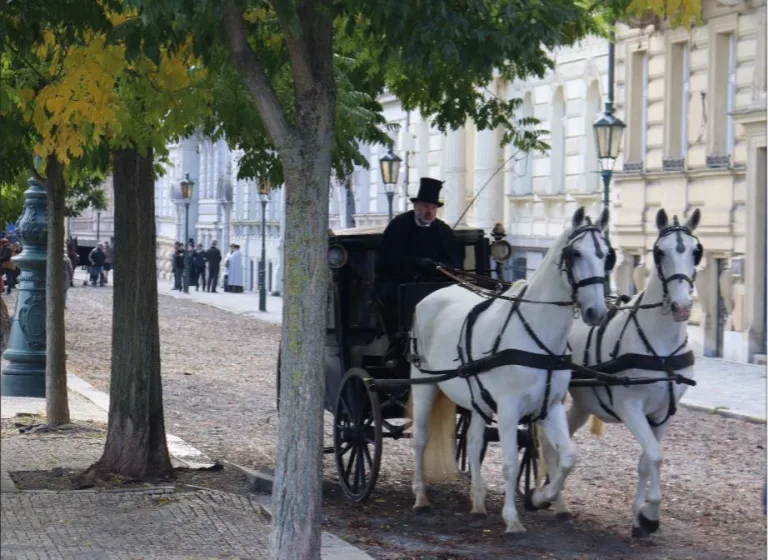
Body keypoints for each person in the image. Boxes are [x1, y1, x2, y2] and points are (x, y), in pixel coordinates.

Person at [375, 177, 461, 338]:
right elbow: (388, 260)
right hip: (400, 283)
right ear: (416, 206)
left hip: (435, 284)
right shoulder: (399, 225)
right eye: (426, 206)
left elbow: (455, 262)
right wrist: (417, 264)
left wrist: (440, 266)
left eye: (434, 207)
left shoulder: (443, 230)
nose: (430, 211)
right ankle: (398, 341)